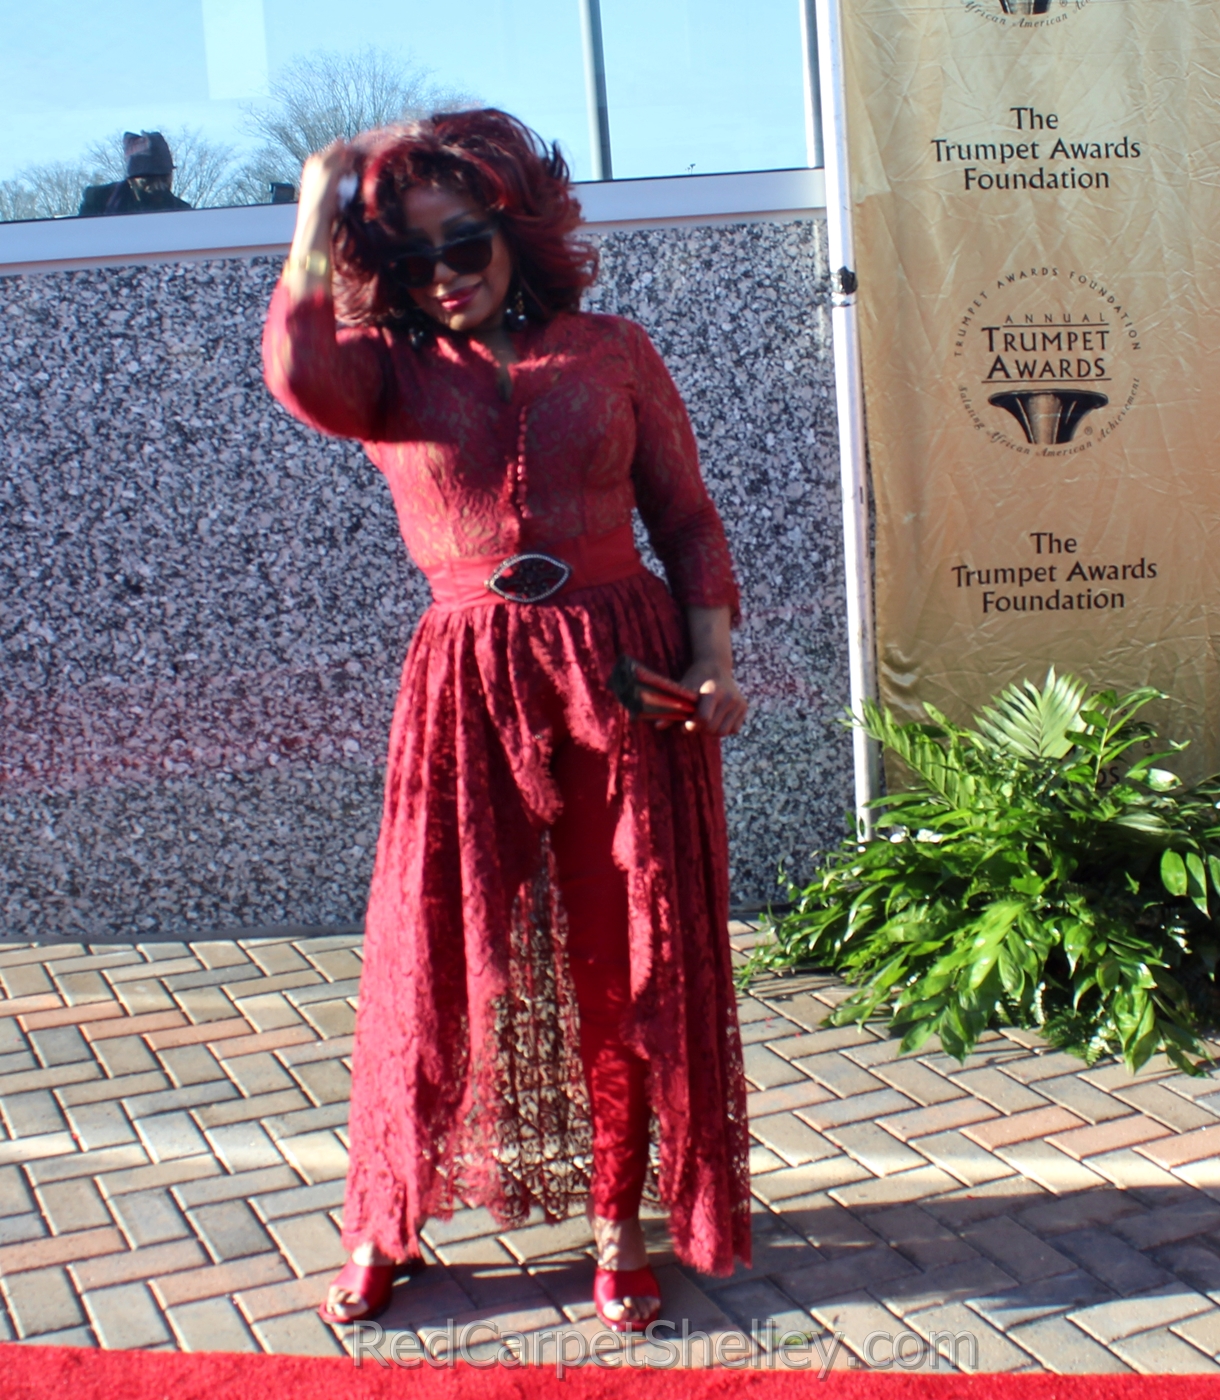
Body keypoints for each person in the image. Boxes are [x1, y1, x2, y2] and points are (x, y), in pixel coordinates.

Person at [262, 109, 751, 1333]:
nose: (447, 269)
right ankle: (386, 1213)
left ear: (514, 227)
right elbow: (293, 369)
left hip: (623, 676)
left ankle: (614, 1218)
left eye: (464, 237)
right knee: (429, 957)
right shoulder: (381, 370)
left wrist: (713, 660)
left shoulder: (611, 349)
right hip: (465, 683)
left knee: (621, 954)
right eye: (414, 253)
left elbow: (684, 517)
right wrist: (319, 209)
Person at [78, 131, 191, 217]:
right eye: (149, 179)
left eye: (164, 177)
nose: (158, 185)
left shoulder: (183, 212)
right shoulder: (99, 201)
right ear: (131, 180)